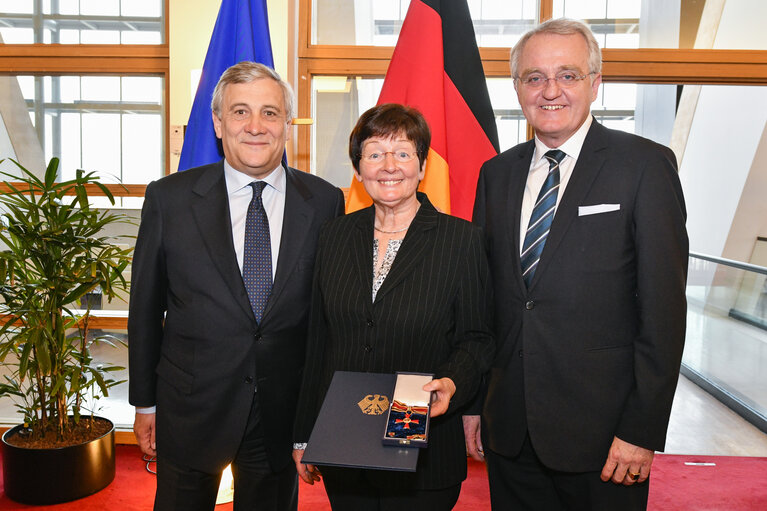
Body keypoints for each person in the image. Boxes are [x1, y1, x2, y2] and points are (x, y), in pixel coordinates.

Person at [465, 18, 689, 510]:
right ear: (518, 86)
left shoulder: (645, 165)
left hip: (605, 438)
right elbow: (487, 304)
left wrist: (641, 429)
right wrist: (475, 405)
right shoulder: (495, 174)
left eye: (567, 75)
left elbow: (664, 312)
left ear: (595, 83)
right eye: (534, 77)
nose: (551, 91)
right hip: (510, 430)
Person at [128, 61, 345, 511]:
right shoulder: (168, 199)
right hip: (191, 407)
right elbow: (145, 310)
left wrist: (316, 417)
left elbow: (327, 317)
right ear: (218, 122)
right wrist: (145, 403)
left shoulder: (326, 201)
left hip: (280, 414)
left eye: (269, 113)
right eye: (240, 111)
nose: (255, 126)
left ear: (287, 124)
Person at [291, 103, 494, 511]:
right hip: (345, 436)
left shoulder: (460, 240)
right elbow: (318, 341)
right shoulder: (334, 235)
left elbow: (478, 338)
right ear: (358, 168)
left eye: (402, 152)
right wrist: (303, 434)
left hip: (421, 436)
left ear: (421, 167)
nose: (389, 165)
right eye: (374, 153)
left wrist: (452, 383)